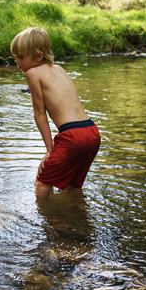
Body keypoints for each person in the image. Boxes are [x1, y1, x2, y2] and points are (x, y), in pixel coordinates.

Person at [10, 27, 100, 201]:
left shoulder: (32, 73)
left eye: (20, 57)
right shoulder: (59, 69)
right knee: (74, 186)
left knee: (42, 182)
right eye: (15, 57)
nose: (16, 61)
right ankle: (79, 219)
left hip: (73, 136)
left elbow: (40, 114)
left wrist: (50, 150)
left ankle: (46, 224)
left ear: (38, 57)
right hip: (92, 132)